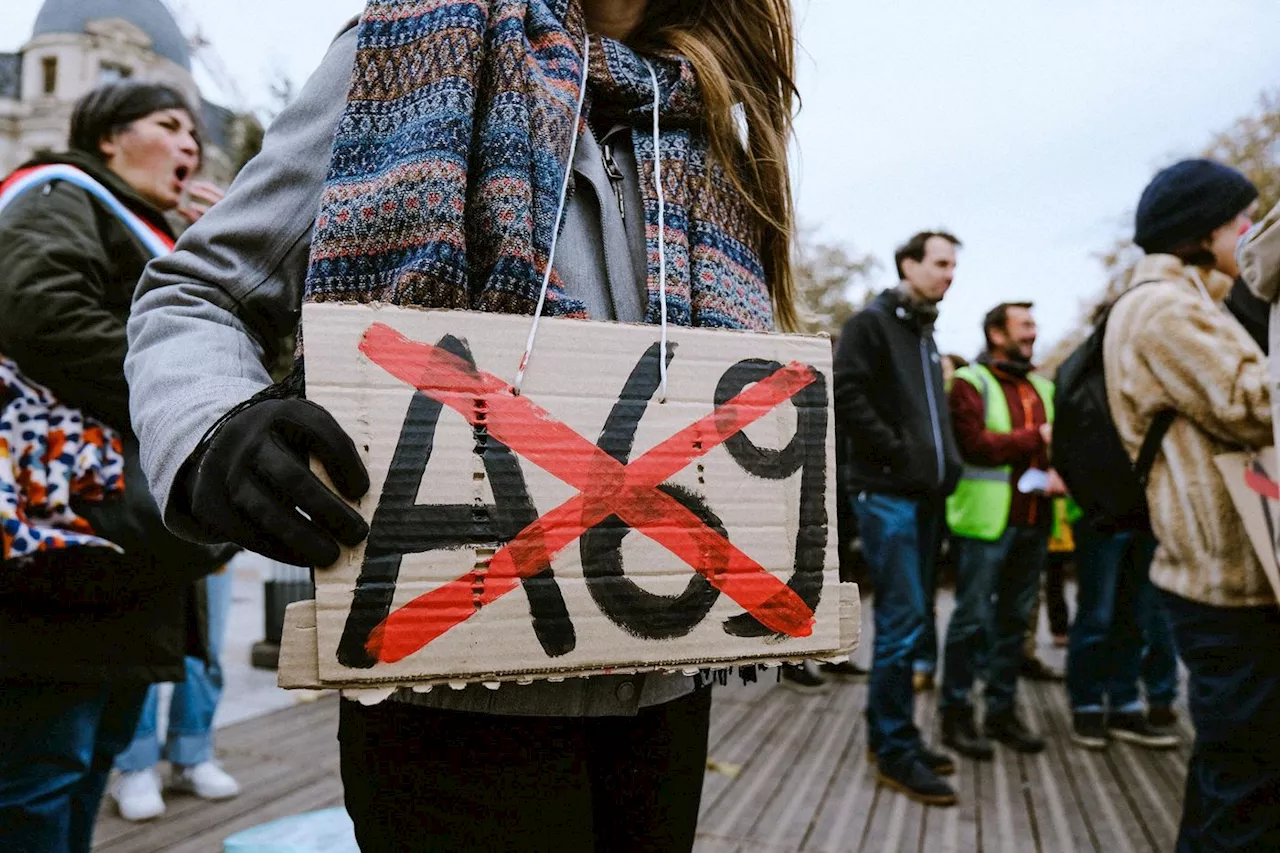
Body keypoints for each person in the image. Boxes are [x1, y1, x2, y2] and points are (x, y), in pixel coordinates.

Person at [124, 3, 801, 850]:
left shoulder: (706, 118)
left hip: (665, 690)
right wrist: (214, 426)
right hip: (448, 700)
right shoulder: (412, 43)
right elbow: (195, 292)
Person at [0, 82, 232, 853]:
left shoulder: (154, 231)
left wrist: (221, 262)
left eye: (195, 132)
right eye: (168, 125)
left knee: (84, 763)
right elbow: (40, 308)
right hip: (62, 548)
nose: (189, 146)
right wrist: (183, 395)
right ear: (107, 137)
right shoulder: (61, 194)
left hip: (113, 551)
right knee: (43, 773)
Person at [1108, 159, 1276, 851]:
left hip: (1219, 571)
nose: (1248, 233)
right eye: (1239, 221)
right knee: (1246, 779)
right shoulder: (1164, 307)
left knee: (1234, 771)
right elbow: (1253, 404)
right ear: (1202, 232)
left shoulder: (1178, 301)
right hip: (1222, 578)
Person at [833, 231, 963, 806]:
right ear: (907, 264)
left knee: (910, 619)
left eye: (954, 265)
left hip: (926, 496)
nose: (949, 273)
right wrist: (897, 454)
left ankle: (900, 735)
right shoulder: (872, 324)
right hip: (887, 493)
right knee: (903, 622)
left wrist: (944, 465)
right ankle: (893, 750)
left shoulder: (925, 332)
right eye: (939, 263)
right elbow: (846, 392)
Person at [939, 302, 1058, 760]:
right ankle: (956, 714)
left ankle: (1002, 712)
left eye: (1034, 324)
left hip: (1035, 521)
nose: (1033, 332)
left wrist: (1056, 460)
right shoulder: (971, 383)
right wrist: (1037, 439)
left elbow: (1059, 444)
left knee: (1013, 623)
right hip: (986, 524)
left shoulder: (1042, 386)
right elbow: (975, 446)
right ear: (996, 334)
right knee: (971, 621)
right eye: (1024, 325)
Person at [110, 568, 240, 820]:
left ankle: (192, 753)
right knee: (140, 644)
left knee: (206, 644)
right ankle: (136, 764)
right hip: (143, 535)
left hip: (213, 534)